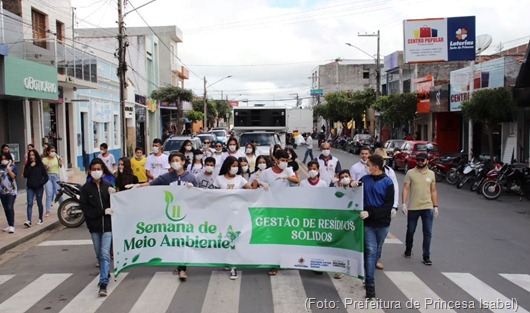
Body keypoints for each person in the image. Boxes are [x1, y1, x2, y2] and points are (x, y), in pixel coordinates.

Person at [127, 152, 197, 280]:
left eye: (177, 160)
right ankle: (179, 265)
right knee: (176, 241)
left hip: (186, 214)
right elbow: (151, 184)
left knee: (183, 240)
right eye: (172, 160)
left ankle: (182, 268)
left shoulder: (191, 177)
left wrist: (193, 190)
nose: (175, 162)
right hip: (170, 215)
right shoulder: (166, 177)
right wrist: (137, 186)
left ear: (183, 162)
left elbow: (199, 194)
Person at [359, 154, 394, 299]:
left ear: (376, 167)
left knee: (377, 250)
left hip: (382, 223)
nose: (367, 167)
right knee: (370, 251)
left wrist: (371, 213)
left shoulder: (388, 182)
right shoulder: (364, 180)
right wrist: (352, 185)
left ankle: (370, 272)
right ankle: (370, 285)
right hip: (368, 223)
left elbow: (387, 206)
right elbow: (355, 195)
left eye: (369, 165)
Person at [79, 158, 114, 297]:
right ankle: (106, 273)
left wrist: (114, 195)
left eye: (98, 169)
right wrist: (101, 212)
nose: (96, 172)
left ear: (103, 171)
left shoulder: (108, 186)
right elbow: (85, 208)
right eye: (93, 169)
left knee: (105, 253)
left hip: (108, 227)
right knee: (99, 253)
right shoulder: (86, 189)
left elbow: (117, 205)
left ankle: (103, 282)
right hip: (94, 227)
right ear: (89, 171)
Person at [215, 156, 252, 280]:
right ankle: (226, 260)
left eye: (237, 166)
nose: (235, 168)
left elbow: (252, 191)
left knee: (234, 239)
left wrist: (261, 186)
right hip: (222, 214)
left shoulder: (240, 179)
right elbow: (210, 195)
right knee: (224, 238)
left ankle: (233, 266)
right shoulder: (218, 179)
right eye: (233, 165)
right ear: (227, 166)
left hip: (237, 214)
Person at [402, 152, 438, 265]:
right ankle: (408, 249)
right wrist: (403, 203)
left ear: (427, 161)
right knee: (411, 230)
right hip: (413, 207)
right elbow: (406, 188)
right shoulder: (410, 173)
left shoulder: (431, 174)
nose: (420, 162)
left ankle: (426, 256)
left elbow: (433, 190)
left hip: (427, 207)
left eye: (422, 160)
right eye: (418, 160)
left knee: (428, 233)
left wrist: (435, 206)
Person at [373, 147, 399, 270]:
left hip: (385, 209)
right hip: (370, 209)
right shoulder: (367, 171)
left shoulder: (390, 172)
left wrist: (395, 206)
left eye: (383, 159)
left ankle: (377, 258)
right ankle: (368, 258)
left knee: (381, 236)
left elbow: (395, 189)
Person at [23, 150, 48, 227]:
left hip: (39, 187)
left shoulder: (40, 165)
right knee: (29, 203)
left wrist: (41, 183)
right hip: (30, 187)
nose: (31, 156)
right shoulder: (28, 165)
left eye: (33, 155)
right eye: (30, 155)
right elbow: (25, 175)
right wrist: (30, 166)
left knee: (39, 203)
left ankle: (40, 218)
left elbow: (46, 177)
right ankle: (29, 220)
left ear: (36, 155)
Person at [42, 145, 63, 217]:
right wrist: (45, 168)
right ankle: (48, 211)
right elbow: (42, 169)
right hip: (47, 177)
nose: (53, 152)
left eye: (54, 151)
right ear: (48, 152)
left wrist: (60, 162)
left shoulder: (57, 157)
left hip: (56, 176)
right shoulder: (44, 159)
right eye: (52, 151)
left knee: (58, 192)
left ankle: (63, 206)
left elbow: (60, 166)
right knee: (49, 193)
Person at [1, 152, 18, 233]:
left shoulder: (13, 167)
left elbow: (13, 176)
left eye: (5, 159)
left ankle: (12, 226)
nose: (3, 161)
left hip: (12, 191)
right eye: (2, 159)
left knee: (10, 206)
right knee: (5, 208)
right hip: (2, 191)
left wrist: (8, 168)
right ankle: (9, 224)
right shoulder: (0, 167)